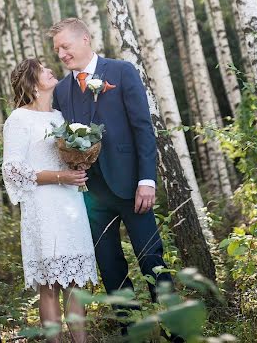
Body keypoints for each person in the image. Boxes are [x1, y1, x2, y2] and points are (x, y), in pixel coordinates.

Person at [50, 18, 181, 341]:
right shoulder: (62, 91)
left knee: (152, 258)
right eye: (56, 51)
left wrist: (147, 181)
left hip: (132, 188)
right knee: (110, 267)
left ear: (85, 39)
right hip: (91, 194)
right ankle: (131, 330)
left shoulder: (121, 72)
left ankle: (176, 329)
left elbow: (142, 129)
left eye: (65, 46)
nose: (62, 55)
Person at [2, 58, 97, 343]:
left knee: (74, 282)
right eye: (42, 69)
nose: (49, 70)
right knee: (50, 284)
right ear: (32, 83)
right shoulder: (18, 119)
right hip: (42, 207)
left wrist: (80, 164)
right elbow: (13, 170)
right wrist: (60, 177)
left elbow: (64, 157)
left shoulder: (58, 117)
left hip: (70, 205)